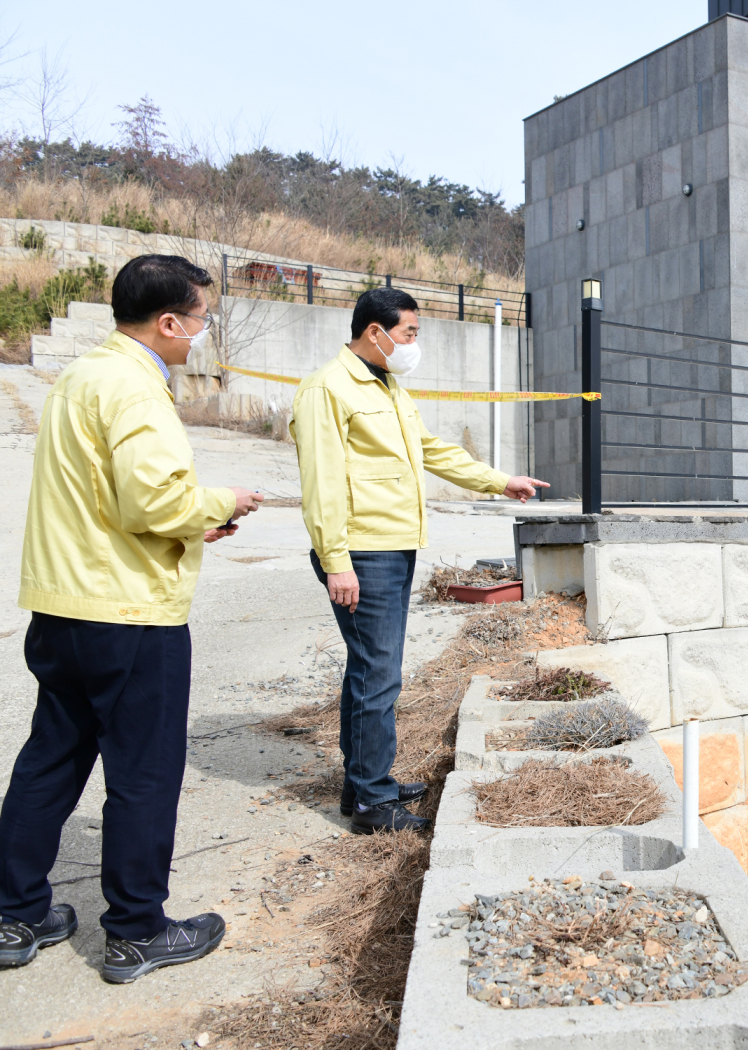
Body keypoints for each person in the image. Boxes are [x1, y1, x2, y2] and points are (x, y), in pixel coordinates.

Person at [0, 254, 264, 982]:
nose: (203, 333)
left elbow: (105, 497)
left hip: (65, 605)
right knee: (144, 772)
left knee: (51, 760)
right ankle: (138, 931)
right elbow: (154, 501)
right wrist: (222, 502)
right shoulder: (138, 388)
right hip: (129, 612)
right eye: (202, 320)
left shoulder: (82, 376)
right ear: (170, 322)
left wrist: (189, 524)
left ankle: (14, 914)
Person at [292, 288, 546, 835]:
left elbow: (431, 450)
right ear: (375, 332)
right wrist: (337, 561)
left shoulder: (388, 386)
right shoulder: (327, 389)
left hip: (391, 546)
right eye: (409, 332)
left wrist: (499, 481)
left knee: (368, 669)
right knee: (379, 674)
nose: (414, 342)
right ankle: (373, 803)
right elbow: (321, 484)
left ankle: (362, 782)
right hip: (362, 552)